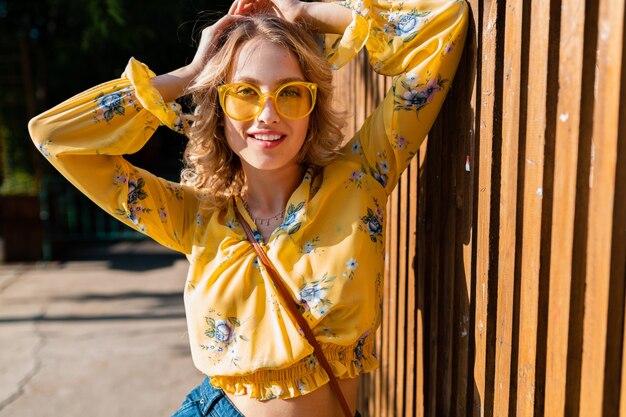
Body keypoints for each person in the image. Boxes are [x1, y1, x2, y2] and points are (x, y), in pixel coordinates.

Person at [28, 0, 468, 415]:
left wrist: (306, 12)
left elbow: (442, 24)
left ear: (312, 108)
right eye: (244, 93)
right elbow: (55, 137)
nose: (267, 114)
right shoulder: (193, 217)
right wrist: (191, 72)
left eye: (290, 93)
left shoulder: (362, 174)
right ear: (220, 111)